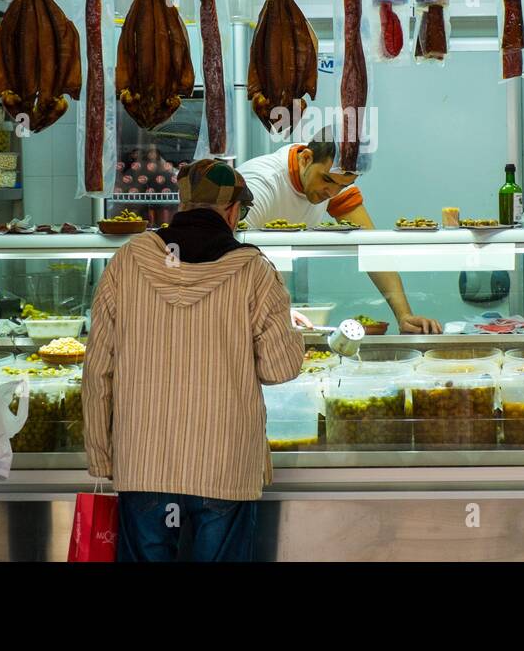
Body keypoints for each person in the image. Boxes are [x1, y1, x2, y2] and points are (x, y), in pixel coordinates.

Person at [83, 159, 303, 561]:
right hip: (225, 466)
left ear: (180, 205)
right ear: (234, 211)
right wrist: (291, 330)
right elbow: (279, 368)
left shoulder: (127, 262)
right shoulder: (254, 270)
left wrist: (102, 456)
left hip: (143, 465)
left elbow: (98, 369)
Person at [236, 133, 444, 333]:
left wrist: (404, 315)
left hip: (272, 307)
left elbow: (371, 248)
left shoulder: (333, 177)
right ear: (306, 158)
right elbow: (233, 260)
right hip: (238, 305)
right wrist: (271, 309)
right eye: (327, 180)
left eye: (344, 185)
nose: (332, 192)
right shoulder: (260, 183)